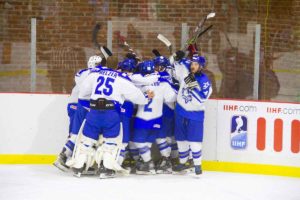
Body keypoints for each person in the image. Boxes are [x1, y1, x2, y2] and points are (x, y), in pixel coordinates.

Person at [68, 64, 154, 178]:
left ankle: (79, 167)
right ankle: (106, 169)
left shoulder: (95, 74)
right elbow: (138, 98)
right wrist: (146, 97)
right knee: (110, 142)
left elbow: (83, 91)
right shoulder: (121, 79)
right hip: (111, 113)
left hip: (93, 112)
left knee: (87, 140)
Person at [53, 55, 103, 171]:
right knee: (77, 134)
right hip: (80, 105)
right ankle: (66, 158)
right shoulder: (95, 74)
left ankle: (71, 159)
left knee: (76, 134)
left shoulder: (82, 73)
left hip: (76, 105)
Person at [132, 60, 177, 175]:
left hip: (142, 118)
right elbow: (171, 99)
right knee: (157, 139)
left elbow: (133, 98)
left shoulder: (137, 82)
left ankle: (148, 162)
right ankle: (166, 161)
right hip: (157, 117)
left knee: (138, 141)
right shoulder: (163, 82)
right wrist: (175, 86)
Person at [173, 54, 212, 175]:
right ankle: (183, 162)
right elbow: (176, 65)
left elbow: (202, 99)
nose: (193, 66)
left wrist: (190, 82)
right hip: (180, 112)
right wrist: (176, 57)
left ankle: (197, 165)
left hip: (195, 115)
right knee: (181, 139)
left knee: (194, 141)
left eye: (196, 64)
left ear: (201, 66)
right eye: (192, 64)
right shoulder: (186, 71)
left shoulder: (205, 81)